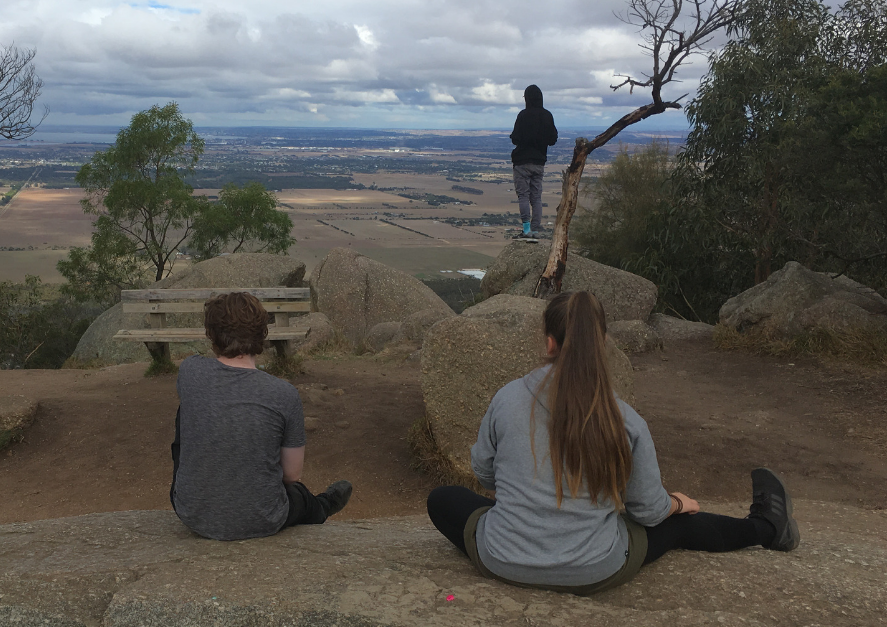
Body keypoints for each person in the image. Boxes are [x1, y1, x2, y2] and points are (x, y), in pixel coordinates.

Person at [426, 291, 799, 595]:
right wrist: (676, 503)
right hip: (594, 570)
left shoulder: (507, 398)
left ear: (549, 342)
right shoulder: (625, 420)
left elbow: (484, 474)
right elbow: (647, 513)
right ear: (602, 342)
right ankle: (767, 527)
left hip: (502, 560)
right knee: (679, 524)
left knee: (442, 498)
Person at [171, 292, 353, 541]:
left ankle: (201, 487)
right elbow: (291, 475)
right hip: (262, 518)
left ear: (211, 334)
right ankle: (321, 505)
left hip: (191, 513)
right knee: (298, 495)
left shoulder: (190, 371)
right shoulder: (284, 394)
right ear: (262, 334)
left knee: (187, 409)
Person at [509, 84, 558, 238]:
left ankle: (526, 229)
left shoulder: (523, 115)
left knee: (523, 196)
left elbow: (515, 138)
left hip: (522, 162)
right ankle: (535, 231)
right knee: (536, 197)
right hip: (539, 162)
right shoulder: (547, 115)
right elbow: (552, 139)